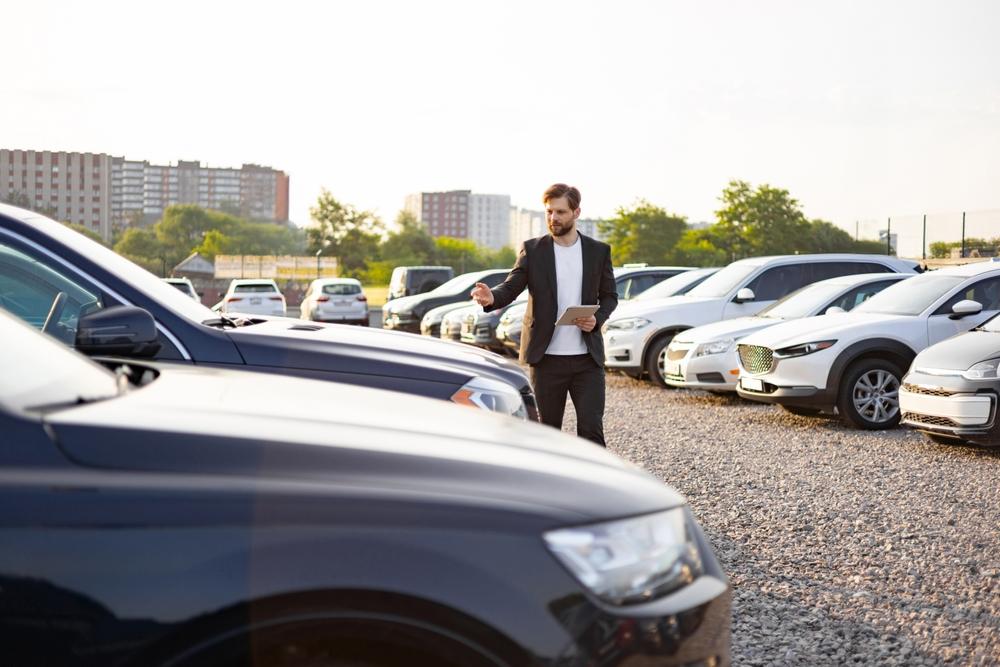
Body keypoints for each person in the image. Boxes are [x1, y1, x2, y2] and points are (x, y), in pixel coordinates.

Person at [471, 183, 617, 446]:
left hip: (587, 360)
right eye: (549, 212)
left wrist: (597, 319)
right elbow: (511, 286)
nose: (553, 218)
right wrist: (492, 297)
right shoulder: (533, 250)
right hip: (546, 359)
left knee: (592, 432)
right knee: (546, 434)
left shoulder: (598, 251)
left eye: (560, 212)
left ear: (576, 212)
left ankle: (593, 474)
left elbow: (610, 296)